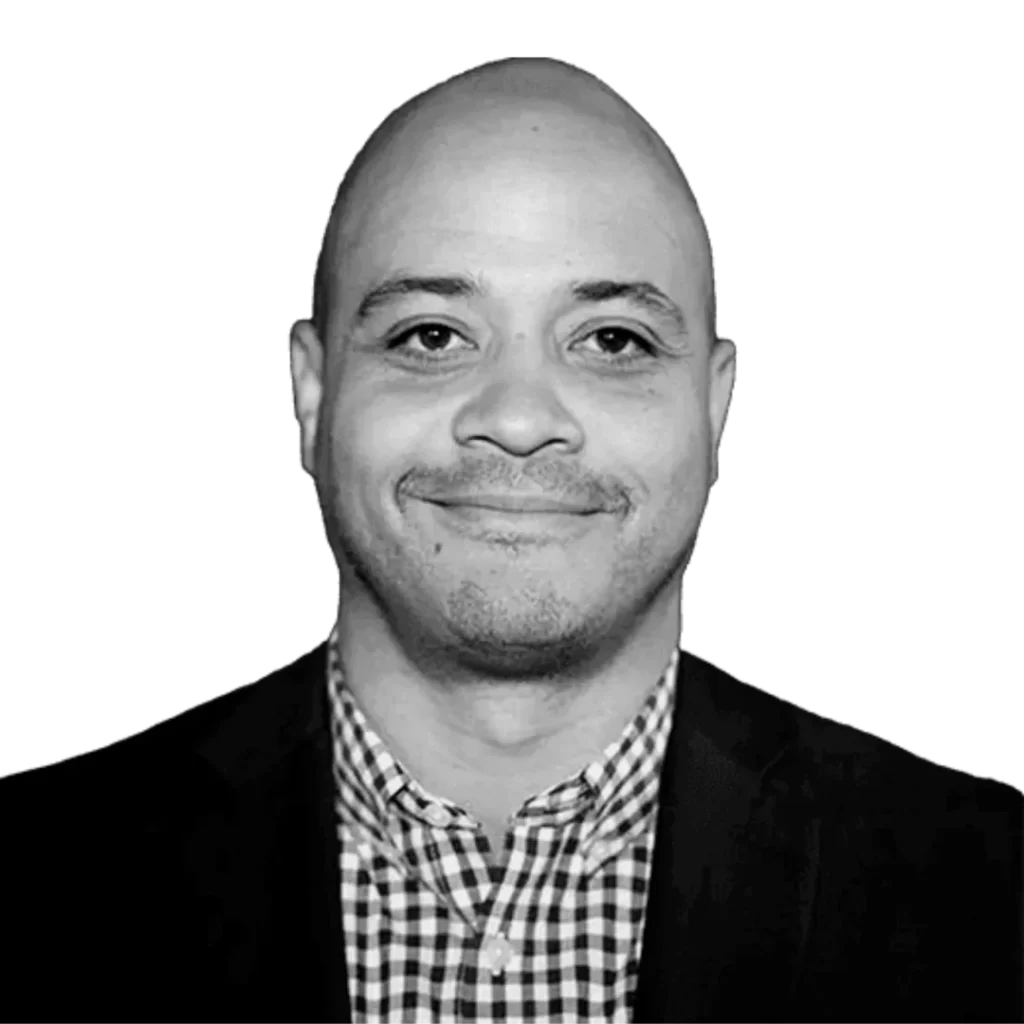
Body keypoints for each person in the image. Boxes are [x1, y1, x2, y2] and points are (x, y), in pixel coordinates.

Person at [3, 57, 1020, 1022]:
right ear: (311, 395)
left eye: (612, 340)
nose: (521, 418)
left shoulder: (995, 888)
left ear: (715, 413)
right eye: (431, 335)